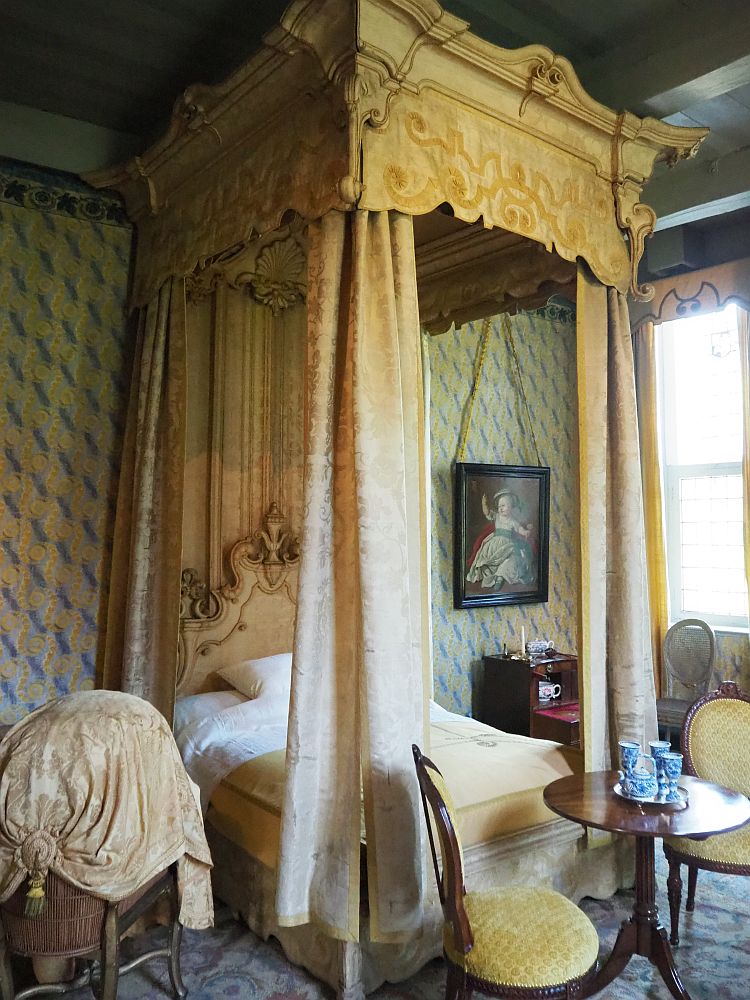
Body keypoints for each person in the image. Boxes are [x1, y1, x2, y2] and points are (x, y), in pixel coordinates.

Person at [466, 488, 535, 590]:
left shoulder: (512, 521)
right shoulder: (497, 516)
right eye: (499, 506)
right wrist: (484, 504)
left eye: (503, 506)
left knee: (508, 559)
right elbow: (487, 513)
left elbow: (519, 529)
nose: (500, 508)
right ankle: (489, 575)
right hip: (494, 542)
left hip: (507, 543)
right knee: (486, 557)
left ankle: (500, 577)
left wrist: (525, 532)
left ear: (510, 507)